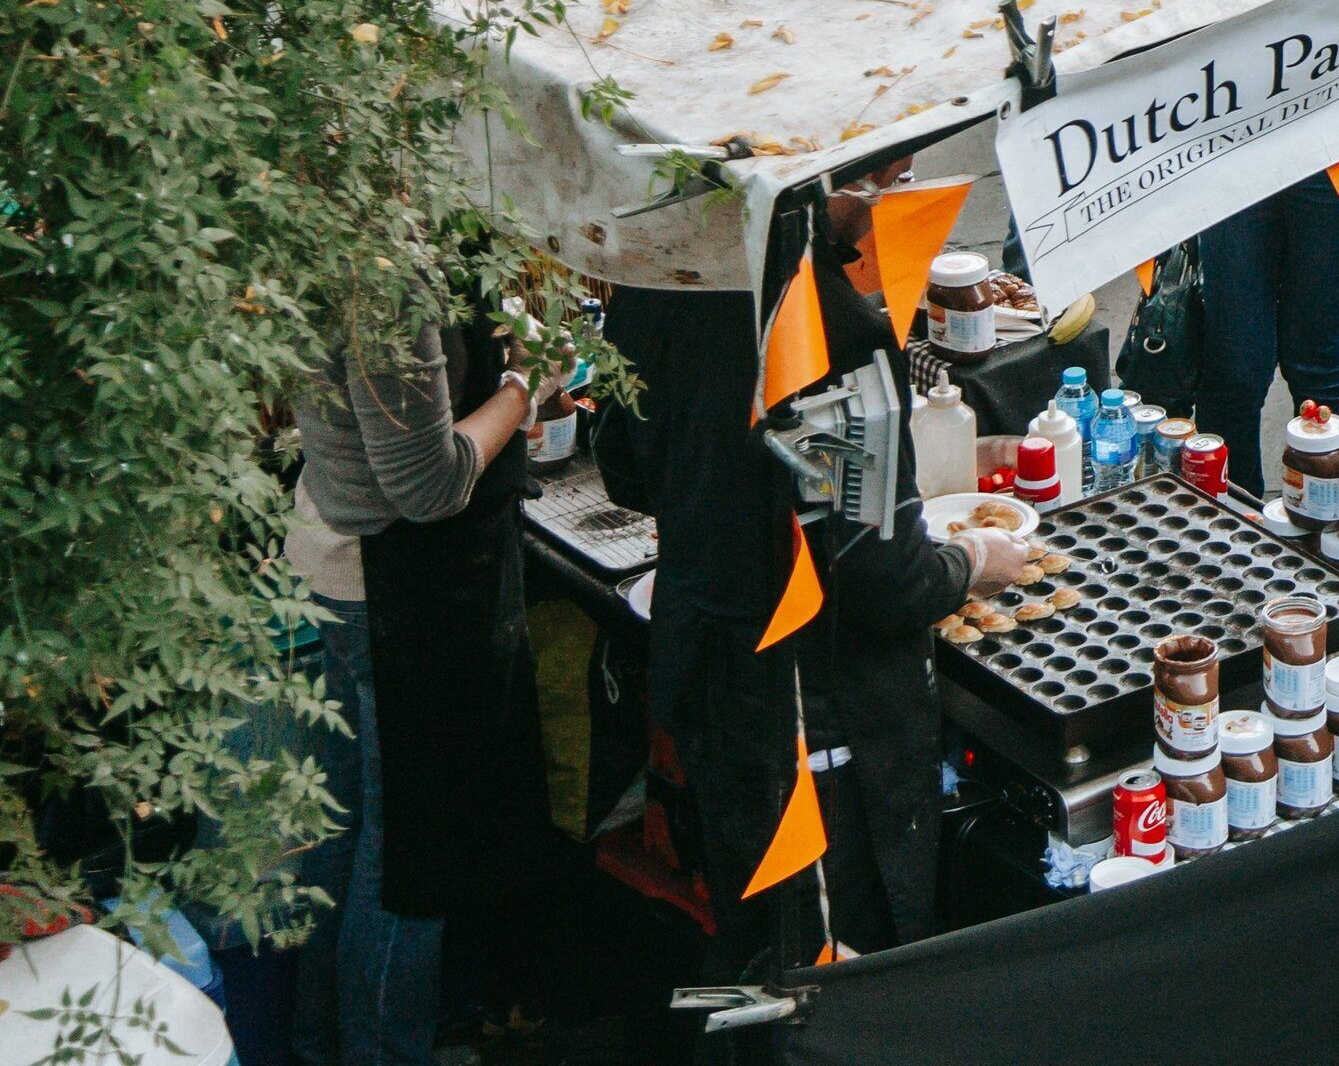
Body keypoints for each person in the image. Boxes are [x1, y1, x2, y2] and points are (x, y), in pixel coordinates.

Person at [603, 183, 1025, 968]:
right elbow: (881, 578)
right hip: (815, 723)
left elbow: (624, 471)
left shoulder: (652, 281)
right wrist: (972, 559)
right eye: (885, 180)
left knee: (748, 935)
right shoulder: (834, 336)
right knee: (835, 965)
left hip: (706, 676)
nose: (886, 206)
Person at [288, 299, 558, 1066]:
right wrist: (523, 386)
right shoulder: (389, 285)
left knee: (348, 832)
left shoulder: (341, 229)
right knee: (411, 855)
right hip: (394, 584)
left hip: (343, 560)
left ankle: (318, 1047)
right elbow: (428, 484)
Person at [1189, 144, 1339, 486]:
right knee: (1233, 369)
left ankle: (1324, 519)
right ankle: (1230, 520)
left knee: (1314, 359)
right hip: (1236, 146)